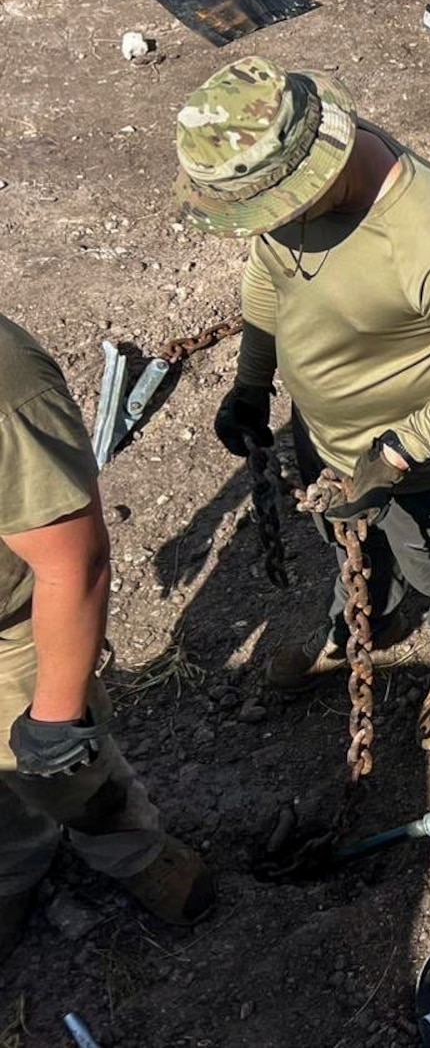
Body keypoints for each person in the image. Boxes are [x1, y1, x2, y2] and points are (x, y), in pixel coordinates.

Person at [182, 56, 430, 751]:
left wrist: (398, 453)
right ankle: (365, 626)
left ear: (313, 169)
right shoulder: (296, 184)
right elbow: (269, 272)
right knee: (352, 548)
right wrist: (252, 384)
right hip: (325, 435)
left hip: (415, 457)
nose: (268, 224)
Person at [1, 314, 215, 965]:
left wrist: (60, 714)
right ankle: (12, 868)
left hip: (8, 631)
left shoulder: (5, 383)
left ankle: (132, 849)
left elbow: (73, 561)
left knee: (61, 772)